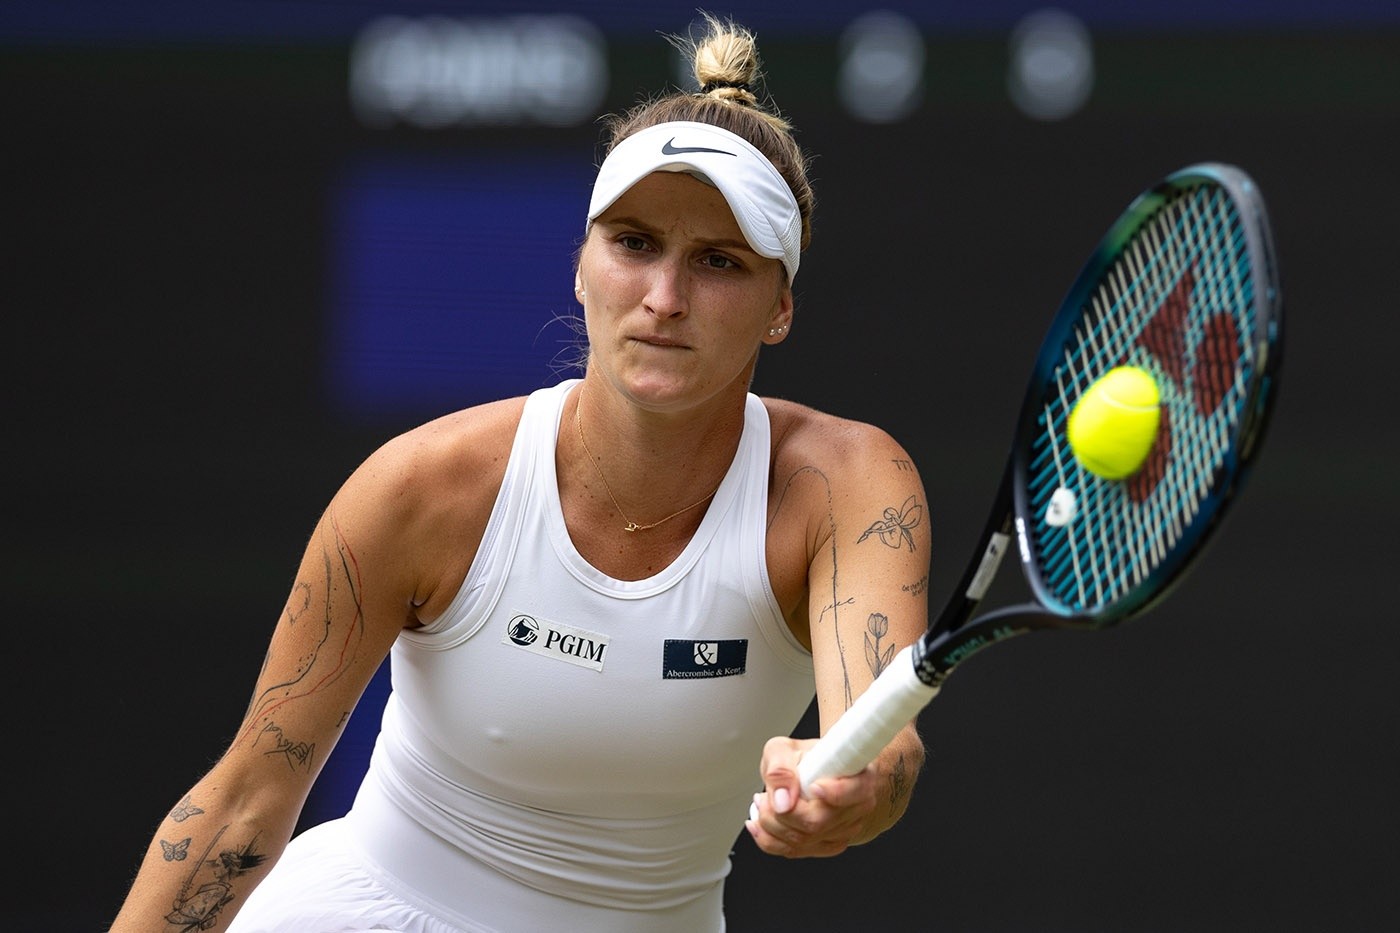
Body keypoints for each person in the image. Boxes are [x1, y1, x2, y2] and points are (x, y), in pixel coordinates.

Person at [110, 13, 930, 932]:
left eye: (718, 261)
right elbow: (243, 803)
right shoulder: (423, 488)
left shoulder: (846, 485)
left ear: (780, 306)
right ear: (581, 266)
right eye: (633, 243)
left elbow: (884, 747)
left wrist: (855, 784)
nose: (664, 298)